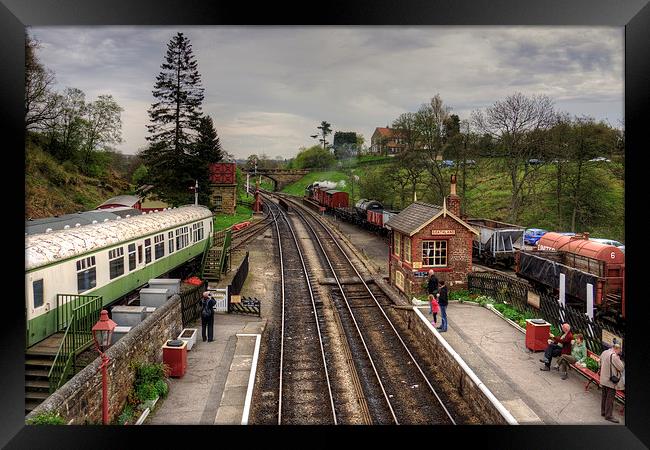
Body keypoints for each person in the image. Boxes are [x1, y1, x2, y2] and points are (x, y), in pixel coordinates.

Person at [599, 342, 624, 423]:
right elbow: (621, 367)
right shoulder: (614, 356)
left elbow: (599, 362)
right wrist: (619, 359)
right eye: (620, 350)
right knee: (610, 399)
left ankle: (603, 412)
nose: (620, 352)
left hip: (603, 378)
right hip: (611, 381)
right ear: (616, 348)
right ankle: (608, 415)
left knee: (604, 397)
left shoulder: (604, 352)